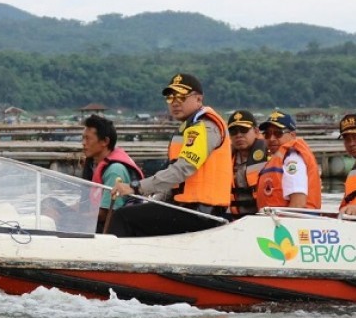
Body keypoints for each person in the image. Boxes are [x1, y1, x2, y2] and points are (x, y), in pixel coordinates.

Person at [108, 73, 232, 237]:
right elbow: (174, 183)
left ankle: (112, 262)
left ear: (198, 99)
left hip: (202, 213)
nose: (175, 102)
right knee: (134, 212)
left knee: (123, 217)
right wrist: (149, 198)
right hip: (186, 208)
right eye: (170, 97)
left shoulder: (204, 127)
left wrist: (136, 187)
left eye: (181, 96)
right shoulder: (189, 128)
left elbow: (182, 170)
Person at [80, 114, 144, 232]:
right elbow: (85, 203)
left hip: (109, 227)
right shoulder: (93, 164)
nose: (83, 143)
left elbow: (106, 213)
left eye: (88, 139)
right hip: (96, 219)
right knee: (50, 204)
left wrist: (72, 217)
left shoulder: (115, 170)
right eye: (82, 138)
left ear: (105, 141)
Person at [256, 111, 321, 209]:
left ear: (292, 135)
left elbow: (298, 204)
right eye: (267, 134)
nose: (272, 138)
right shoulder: (278, 158)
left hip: (291, 222)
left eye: (278, 133)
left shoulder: (293, 160)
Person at [226, 110, 267, 218]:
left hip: (265, 219)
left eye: (244, 130)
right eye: (233, 131)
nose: (238, 135)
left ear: (256, 131)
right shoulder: (225, 159)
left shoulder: (270, 156)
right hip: (235, 221)